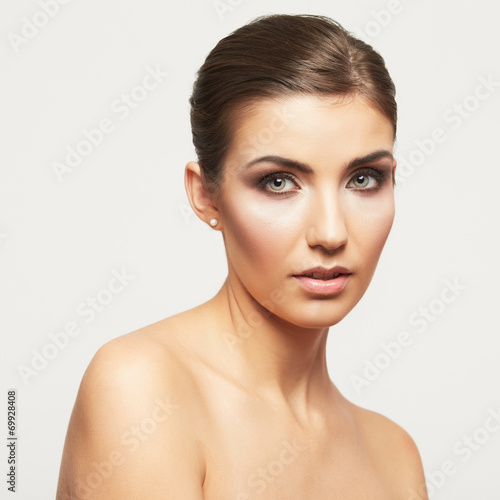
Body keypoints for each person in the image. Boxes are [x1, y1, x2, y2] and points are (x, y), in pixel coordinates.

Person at [56, 13, 428, 499]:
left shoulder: (395, 456)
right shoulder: (142, 389)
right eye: (278, 182)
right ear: (206, 195)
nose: (332, 233)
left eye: (363, 179)